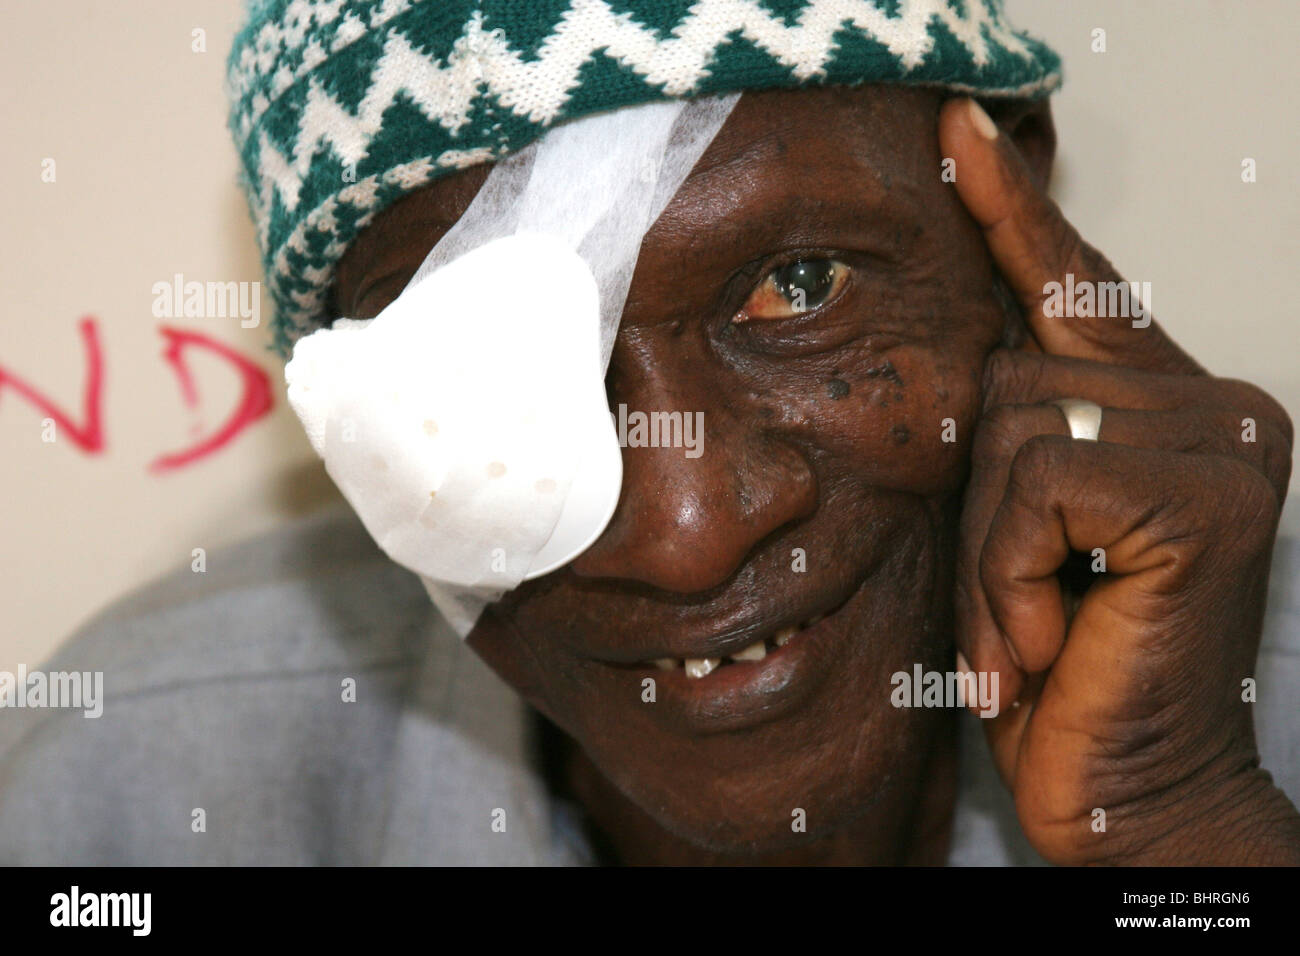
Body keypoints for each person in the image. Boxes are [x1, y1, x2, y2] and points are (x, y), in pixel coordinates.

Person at [2, 0, 1297, 866]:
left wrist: (1183, 830)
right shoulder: (124, 802)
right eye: (481, 368)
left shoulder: (1259, 716)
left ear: (1011, 191)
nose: (682, 535)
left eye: (799, 287)